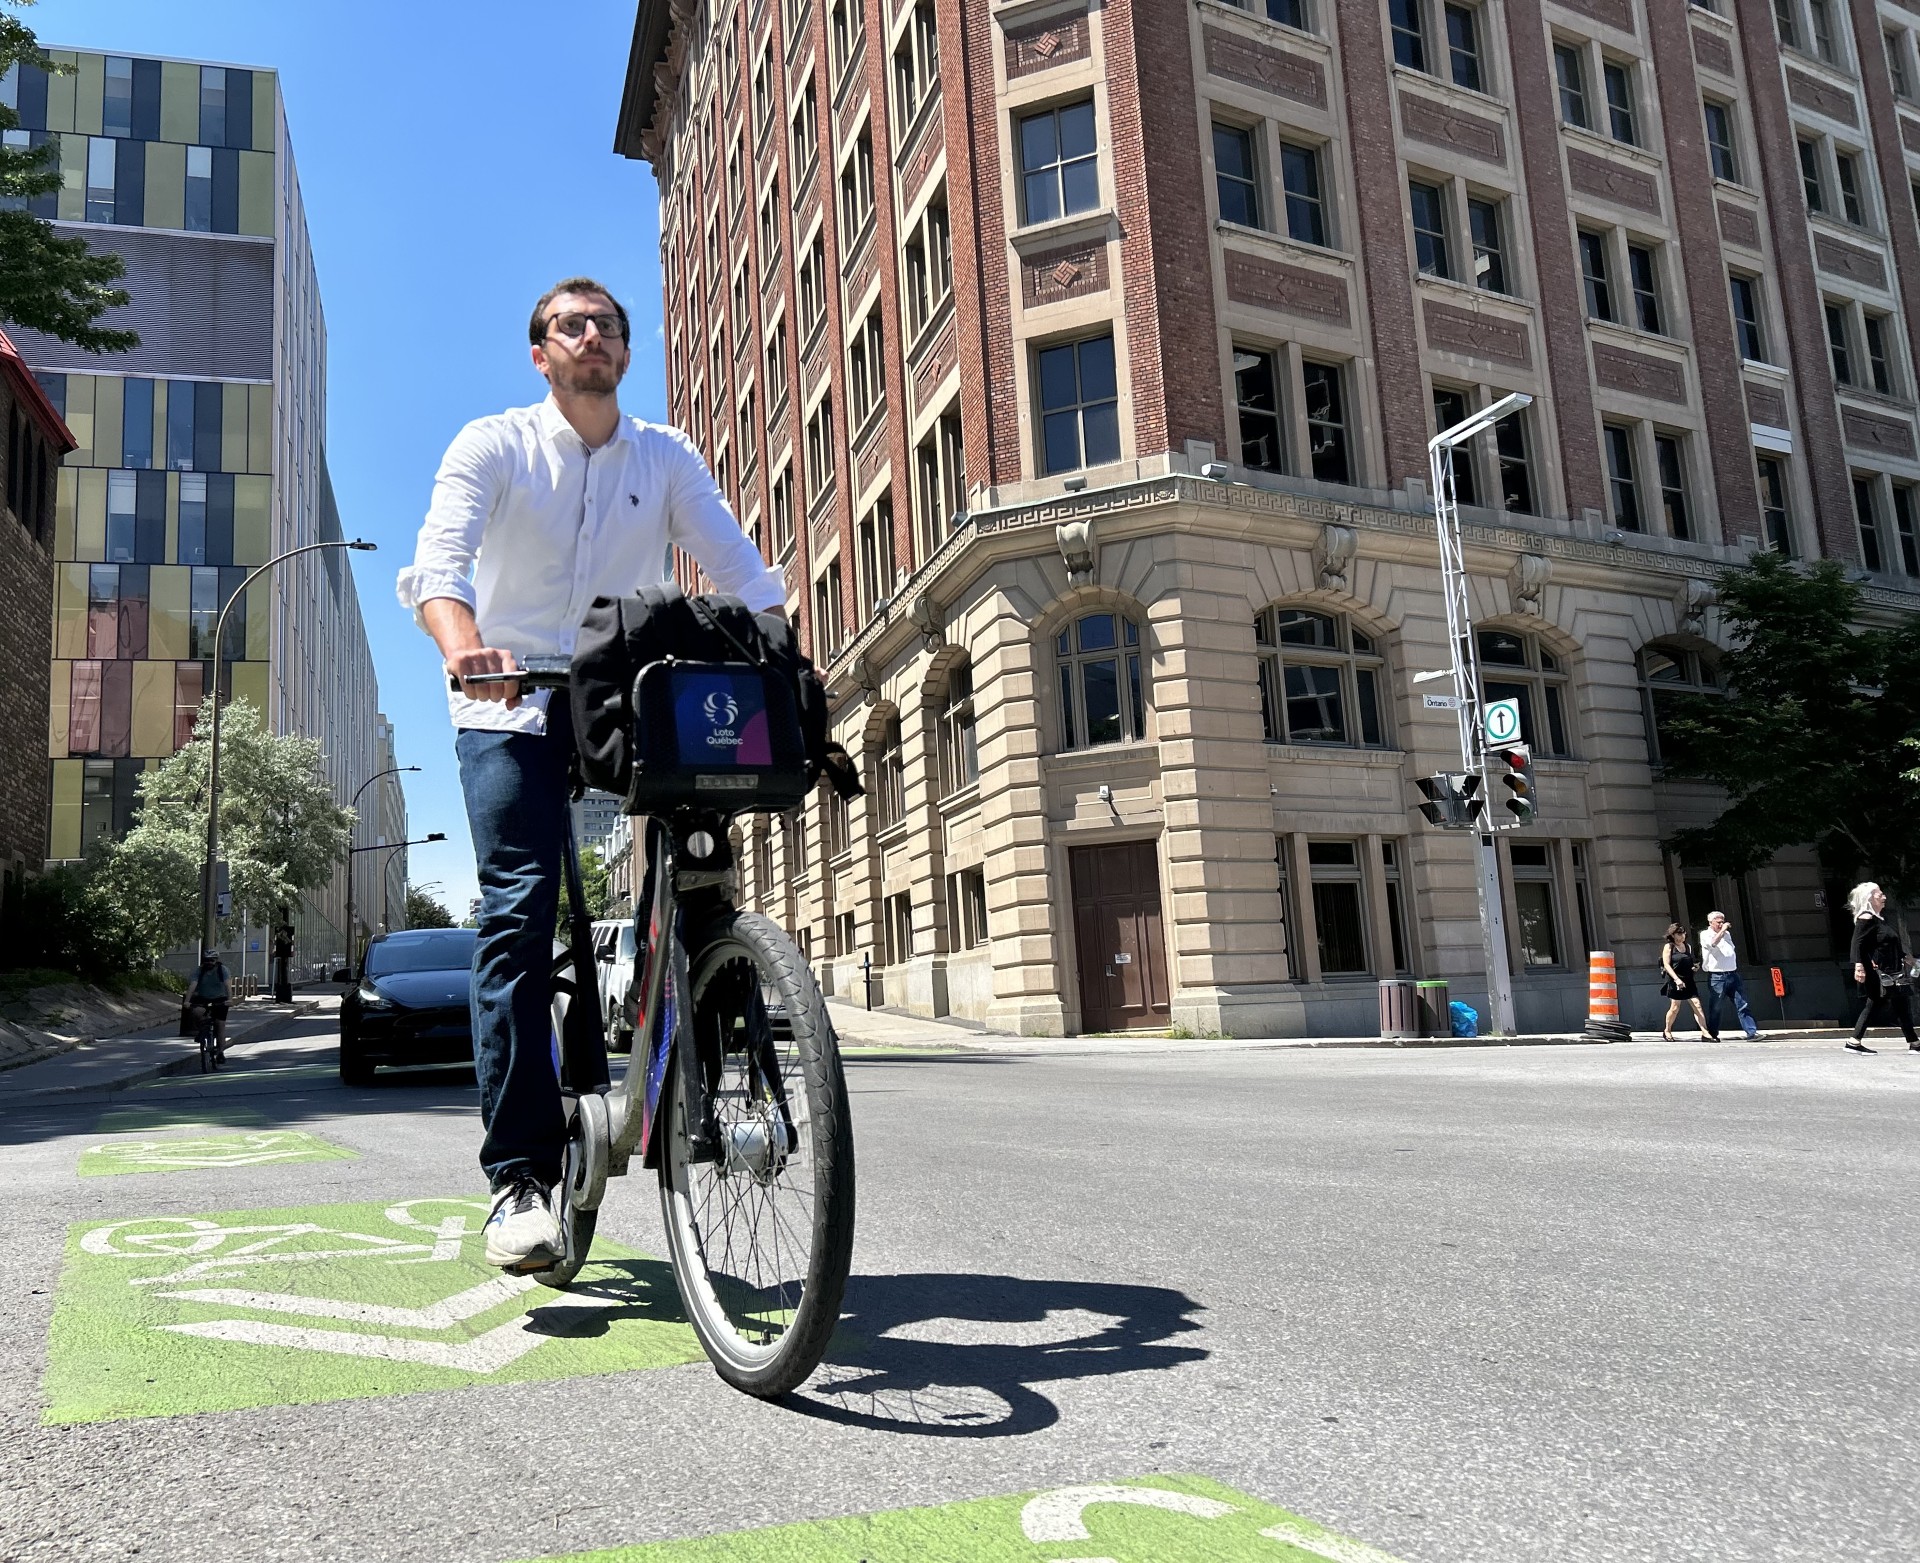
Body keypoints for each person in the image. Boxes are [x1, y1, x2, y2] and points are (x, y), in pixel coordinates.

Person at [396, 277, 785, 1274]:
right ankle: (519, 1179)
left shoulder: (664, 457)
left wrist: (782, 646)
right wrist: (464, 642)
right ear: (540, 352)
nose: (595, 336)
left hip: (622, 694)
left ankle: (697, 1059)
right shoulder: (493, 444)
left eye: (609, 325)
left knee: (703, 853)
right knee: (522, 911)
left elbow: (739, 571)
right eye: (573, 325)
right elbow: (439, 563)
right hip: (511, 695)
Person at [1845, 881, 1918, 1054]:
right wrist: (1858, 966)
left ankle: (1914, 1043)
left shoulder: (1880, 919)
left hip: (1892, 971)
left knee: (1898, 1004)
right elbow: (1857, 943)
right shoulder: (1866, 917)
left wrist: (1908, 958)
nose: (1884, 897)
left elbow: (1887, 944)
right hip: (1881, 972)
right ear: (1869, 898)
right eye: (1880, 894)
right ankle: (1854, 1042)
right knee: (1880, 1003)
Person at [1697, 910, 1761, 1042]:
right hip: (1717, 976)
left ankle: (1751, 1032)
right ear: (1711, 922)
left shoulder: (1727, 934)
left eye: (1722, 921)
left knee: (1742, 1004)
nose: (1722, 924)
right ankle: (1712, 1033)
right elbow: (1713, 943)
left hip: (1732, 974)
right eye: (1718, 922)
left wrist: (1724, 932)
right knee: (1716, 1006)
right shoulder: (1705, 934)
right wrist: (1723, 931)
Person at [1659, 923, 1715, 1042]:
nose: (1682, 936)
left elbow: (1689, 962)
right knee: (1675, 1007)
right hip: (1675, 980)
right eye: (1679, 933)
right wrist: (1676, 979)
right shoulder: (1669, 947)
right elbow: (1667, 965)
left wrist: (1694, 967)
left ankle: (1705, 1032)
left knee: (1697, 1005)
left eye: (1684, 933)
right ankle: (1667, 1030)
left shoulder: (1687, 947)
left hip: (1688, 979)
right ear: (1673, 935)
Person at [189, 951, 231, 1056]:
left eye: (212, 960)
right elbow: (193, 986)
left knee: (220, 1024)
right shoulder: (199, 971)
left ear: (216, 961)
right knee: (196, 1012)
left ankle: (220, 1051)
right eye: (206, 960)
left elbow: (228, 986)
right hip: (203, 998)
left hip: (220, 998)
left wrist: (230, 999)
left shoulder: (223, 970)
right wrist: (187, 1000)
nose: (209, 962)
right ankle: (202, 1031)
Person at [271, 922, 294, 1005]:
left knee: (284, 970)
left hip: (284, 954)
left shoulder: (285, 936)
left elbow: (289, 942)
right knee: (282, 970)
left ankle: (283, 996)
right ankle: (282, 995)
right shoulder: (279, 937)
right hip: (281, 953)